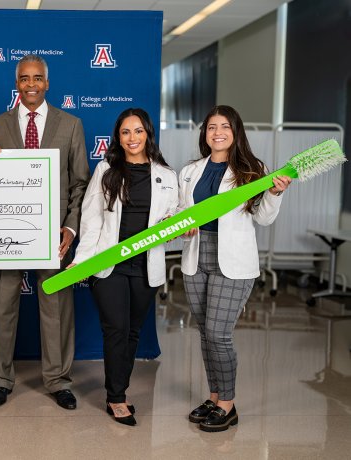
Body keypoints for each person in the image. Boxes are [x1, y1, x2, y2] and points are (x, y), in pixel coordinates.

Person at [0, 54, 90, 409]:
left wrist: (71, 228)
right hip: (7, 233)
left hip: (53, 235)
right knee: (2, 305)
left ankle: (58, 380)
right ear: (17, 83)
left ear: (47, 82)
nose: (31, 84)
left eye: (37, 78)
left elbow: (80, 183)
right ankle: (0, 379)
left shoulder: (71, 124)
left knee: (56, 307)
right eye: (24, 78)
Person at [179, 105, 291, 432]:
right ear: (205, 134)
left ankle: (227, 404)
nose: (217, 132)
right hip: (197, 257)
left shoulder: (253, 170)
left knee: (218, 332)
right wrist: (182, 225)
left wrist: (274, 194)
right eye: (211, 127)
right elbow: (183, 212)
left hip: (235, 262)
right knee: (205, 333)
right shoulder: (191, 171)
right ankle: (214, 397)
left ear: (235, 131)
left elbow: (264, 218)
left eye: (224, 126)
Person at [70, 108, 178, 425]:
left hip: (147, 266)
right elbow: (90, 220)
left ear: (148, 134)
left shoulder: (166, 175)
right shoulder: (106, 169)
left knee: (132, 332)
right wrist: (81, 261)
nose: (132, 138)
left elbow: (174, 218)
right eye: (125, 132)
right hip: (110, 264)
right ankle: (116, 398)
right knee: (116, 330)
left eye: (138, 131)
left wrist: (178, 225)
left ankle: (121, 389)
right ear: (118, 137)